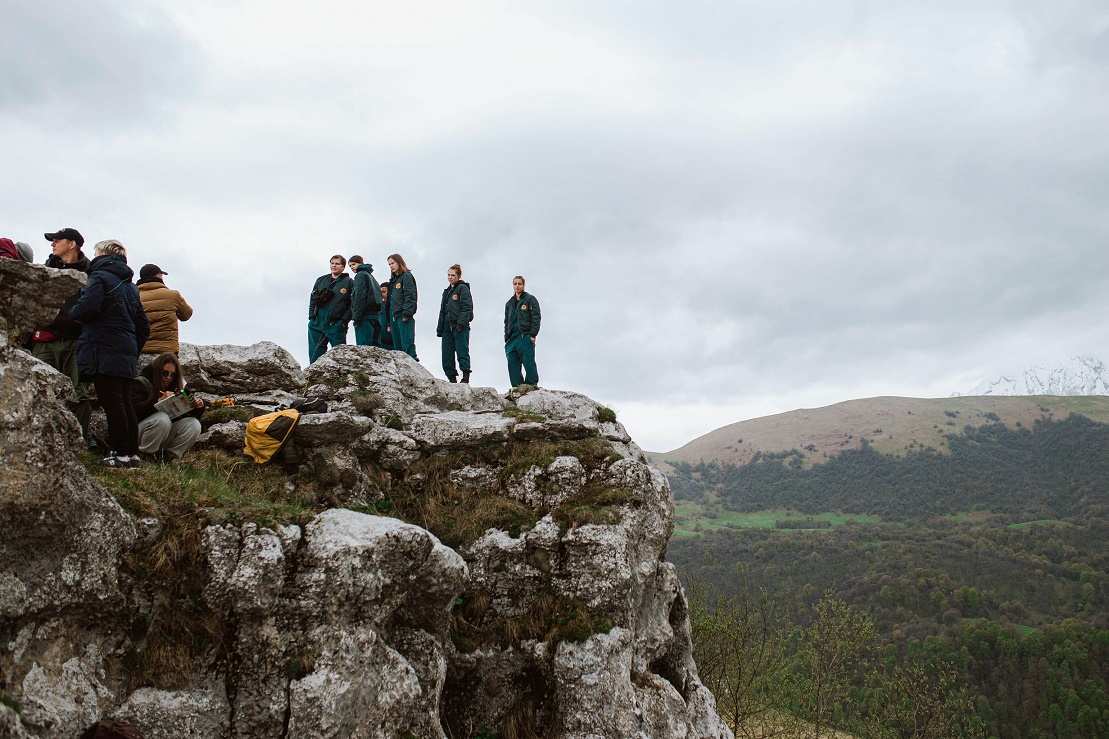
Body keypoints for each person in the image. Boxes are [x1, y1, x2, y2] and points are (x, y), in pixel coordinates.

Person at [70, 240, 150, 468]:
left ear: (103, 254)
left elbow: (88, 307)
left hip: (102, 349)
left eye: (96, 252)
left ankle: (119, 453)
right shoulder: (131, 287)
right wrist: (132, 349)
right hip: (124, 351)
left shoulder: (99, 277)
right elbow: (143, 325)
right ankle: (132, 454)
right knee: (124, 402)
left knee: (112, 403)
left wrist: (74, 312)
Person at [31, 227, 94, 444]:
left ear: (72, 244)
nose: (52, 244)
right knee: (38, 389)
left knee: (79, 394)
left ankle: (78, 444)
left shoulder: (91, 273)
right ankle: (38, 440)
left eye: (57, 240)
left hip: (78, 341)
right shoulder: (46, 269)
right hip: (46, 339)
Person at [131, 352, 203, 460]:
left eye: (173, 374)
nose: (169, 377)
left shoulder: (176, 387)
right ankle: (143, 455)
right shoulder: (141, 383)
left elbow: (188, 415)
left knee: (194, 425)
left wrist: (197, 406)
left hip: (162, 435)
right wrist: (158, 401)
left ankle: (168, 458)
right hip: (139, 434)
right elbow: (133, 412)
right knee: (162, 419)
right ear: (157, 371)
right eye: (165, 373)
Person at [137, 263, 194, 362]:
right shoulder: (173, 295)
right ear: (159, 276)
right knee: (168, 377)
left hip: (140, 351)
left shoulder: (134, 296)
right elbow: (187, 314)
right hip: (167, 354)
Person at [307, 255, 353, 364]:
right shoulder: (321, 280)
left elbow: (352, 304)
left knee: (340, 358)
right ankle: (313, 379)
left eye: (337, 264)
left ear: (343, 266)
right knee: (315, 357)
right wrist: (312, 318)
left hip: (336, 325)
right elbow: (312, 299)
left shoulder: (349, 282)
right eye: (332, 263)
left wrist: (343, 321)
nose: (334, 266)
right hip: (317, 323)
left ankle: (341, 379)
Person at [437, 263, 474, 383]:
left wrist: (460, 324)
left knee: (462, 351)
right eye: (448, 275)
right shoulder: (447, 291)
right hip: (447, 327)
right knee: (446, 353)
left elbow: (467, 307)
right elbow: (442, 311)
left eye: (453, 275)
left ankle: (465, 376)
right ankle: (451, 377)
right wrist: (440, 328)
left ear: (458, 276)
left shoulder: (462, 288)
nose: (450, 277)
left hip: (459, 326)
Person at [504, 275, 541, 388]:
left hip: (525, 335)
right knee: (512, 364)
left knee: (528, 361)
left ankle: (531, 384)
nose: (517, 286)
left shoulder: (530, 299)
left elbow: (536, 317)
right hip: (512, 338)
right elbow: (506, 321)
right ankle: (517, 387)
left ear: (523, 285)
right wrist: (506, 337)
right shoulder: (509, 303)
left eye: (519, 284)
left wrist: (533, 334)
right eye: (515, 284)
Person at [386, 253, 418, 360]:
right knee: (397, 348)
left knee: (407, 344)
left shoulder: (406, 276)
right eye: (389, 264)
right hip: (394, 316)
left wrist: (407, 313)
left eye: (393, 263)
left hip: (403, 315)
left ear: (399, 262)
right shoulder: (393, 280)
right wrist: (389, 321)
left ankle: (413, 367)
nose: (391, 266)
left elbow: (410, 296)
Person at [348, 255, 382, 347]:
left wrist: (356, 317)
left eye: (354, 264)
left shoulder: (360, 275)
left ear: (360, 263)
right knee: (376, 347)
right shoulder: (371, 277)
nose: (352, 267)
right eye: (350, 266)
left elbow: (360, 296)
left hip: (365, 316)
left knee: (364, 348)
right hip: (376, 315)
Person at [379, 283, 394, 349]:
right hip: (381, 343)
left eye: (384, 292)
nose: (382, 295)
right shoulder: (379, 306)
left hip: (393, 343)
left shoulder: (395, 306)